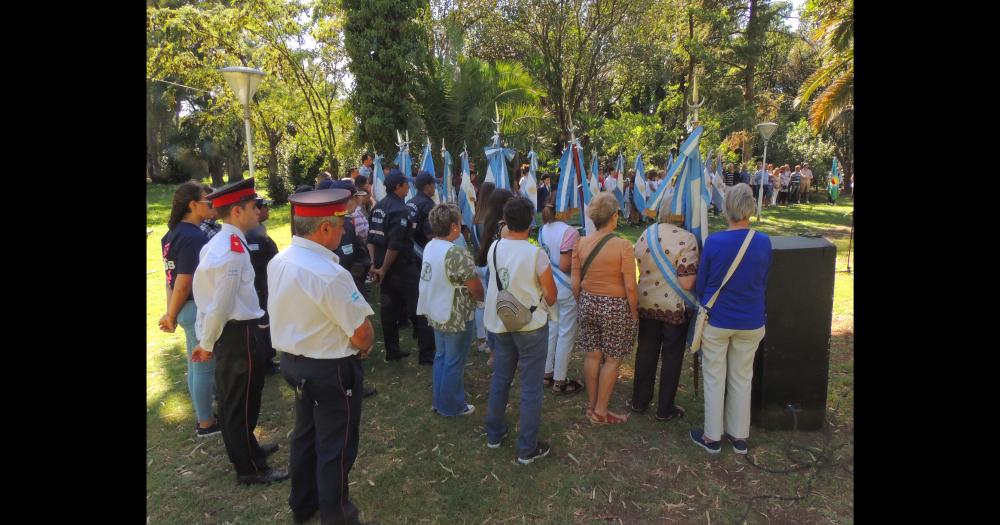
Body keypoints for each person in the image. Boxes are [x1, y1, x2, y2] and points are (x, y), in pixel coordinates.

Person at [267, 188, 379, 525]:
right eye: (340, 225)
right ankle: (337, 515)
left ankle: (303, 504)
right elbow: (362, 333)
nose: (344, 231)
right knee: (336, 445)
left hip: (294, 362)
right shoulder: (331, 274)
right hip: (330, 369)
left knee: (304, 435)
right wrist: (365, 343)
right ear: (325, 229)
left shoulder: (280, 260)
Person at [191, 178, 288, 484]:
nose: (258, 211)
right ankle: (249, 469)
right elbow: (219, 303)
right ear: (236, 211)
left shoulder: (224, 242)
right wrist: (206, 342)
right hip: (235, 334)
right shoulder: (231, 250)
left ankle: (251, 449)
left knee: (249, 395)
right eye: (252, 207)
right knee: (239, 403)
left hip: (240, 331)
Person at [689, 183, 772, 455]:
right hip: (751, 320)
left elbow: (702, 286)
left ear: (727, 208)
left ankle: (712, 437)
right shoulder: (763, 241)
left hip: (718, 319)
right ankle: (739, 436)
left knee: (714, 377)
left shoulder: (714, 242)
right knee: (741, 376)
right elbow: (763, 280)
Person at [483, 197, 558, 464]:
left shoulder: (494, 247)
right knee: (530, 387)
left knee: (501, 378)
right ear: (531, 222)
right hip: (530, 325)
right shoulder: (536, 254)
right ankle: (526, 448)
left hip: (499, 322)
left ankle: (494, 433)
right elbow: (551, 294)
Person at [159, 181, 220, 437]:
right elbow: (183, 282)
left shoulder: (172, 233)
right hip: (194, 308)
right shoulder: (193, 237)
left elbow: (169, 280)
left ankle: (204, 414)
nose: (213, 205)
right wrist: (170, 315)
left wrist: (171, 312)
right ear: (193, 205)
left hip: (184, 308)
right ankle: (205, 423)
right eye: (208, 201)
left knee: (194, 365)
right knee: (204, 366)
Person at [628, 203, 698, 422]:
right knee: (672, 357)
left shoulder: (646, 233)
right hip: (674, 307)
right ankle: (664, 408)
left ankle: (639, 401)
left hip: (647, 302)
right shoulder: (687, 239)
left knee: (646, 353)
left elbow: (636, 260)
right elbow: (687, 283)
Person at [571, 192, 637, 425]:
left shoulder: (580, 243)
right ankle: (600, 411)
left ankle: (592, 405)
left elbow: (575, 282)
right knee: (612, 358)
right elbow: (630, 285)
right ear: (614, 216)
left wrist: (583, 301)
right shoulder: (623, 246)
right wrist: (634, 311)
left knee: (592, 354)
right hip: (615, 306)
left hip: (588, 301)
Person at [417, 203, 485, 416]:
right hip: (456, 313)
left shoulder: (430, 246)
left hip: (436, 308)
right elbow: (474, 286)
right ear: (454, 226)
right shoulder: (456, 253)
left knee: (442, 357)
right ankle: (452, 406)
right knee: (454, 360)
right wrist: (482, 300)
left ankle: (440, 401)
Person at [367, 171, 435, 364]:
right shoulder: (400, 210)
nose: (408, 188)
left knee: (389, 309)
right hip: (401, 268)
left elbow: (371, 239)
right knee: (420, 309)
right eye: (406, 184)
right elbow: (394, 245)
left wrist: (375, 265)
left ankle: (392, 350)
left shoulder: (378, 207)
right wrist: (384, 269)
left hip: (383, 267)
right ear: (398, 187)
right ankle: (427, 354)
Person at [538, 193, 583, 394]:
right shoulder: (570, 232)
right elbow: (565, 264)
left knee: (552, 329)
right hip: (565, 287)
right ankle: (560, 379)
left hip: (549, 285)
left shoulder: (543, 229)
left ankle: (546, 373)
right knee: (566, 332)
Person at [475, 186, 515, 365]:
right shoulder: (505, 226)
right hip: (503, 269)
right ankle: (502, 349)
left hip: (490, 268)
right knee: (504, 306)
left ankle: (493, 351)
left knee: (492, 307)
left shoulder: (486, 221)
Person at [245, 197, 281, 376]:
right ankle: (264, 361)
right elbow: (259, 263)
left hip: (264, 285)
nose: (266, 211)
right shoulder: (252, 234)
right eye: (265, 207)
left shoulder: (259, 230)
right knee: (262, 324)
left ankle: (267, 358)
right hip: (259, 286)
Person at [408, 171, 437, 260]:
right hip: (422, 251)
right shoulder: (428, 204)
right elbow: (430, 234)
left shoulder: (410, 201)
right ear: (427, 187)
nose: (435, 187)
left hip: (409, 248)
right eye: (433, 184)